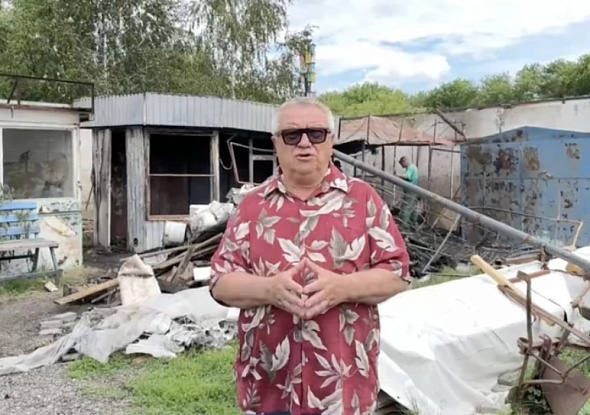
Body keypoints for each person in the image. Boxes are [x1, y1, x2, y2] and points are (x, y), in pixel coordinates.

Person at [209, 97, 411, 415]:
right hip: (269, 383)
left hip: (343, 386)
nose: (304, 143)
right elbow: (220, 282)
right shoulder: (252, 206)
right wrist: (269, 289)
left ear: (331, 140)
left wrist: (343, 287)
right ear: (276, 143)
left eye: (316, 133)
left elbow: (398, 272)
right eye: (292, 135)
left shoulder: (363, 199)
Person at [397, 156, 419, 229]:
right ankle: (413, 225)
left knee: (406, 208)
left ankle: (404, 227)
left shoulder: (410, 168)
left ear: (404, 161)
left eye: (402, 164)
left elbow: (407, 176)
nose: (402, 166)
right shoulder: (413, 167)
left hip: (411, 191)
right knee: (412, 209)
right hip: (414, 190)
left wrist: (397, 175)